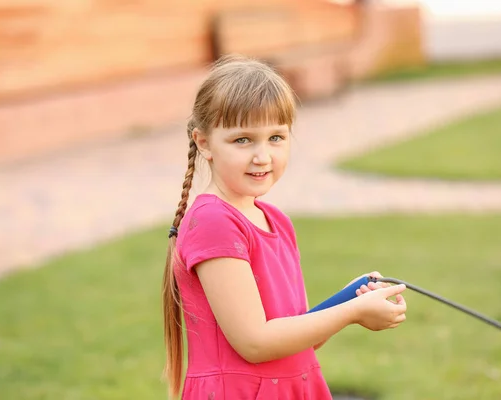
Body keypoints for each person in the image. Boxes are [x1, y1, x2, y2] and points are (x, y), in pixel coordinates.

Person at [161, 55, 408, 399]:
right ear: (204, 143)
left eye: (276, 137)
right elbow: (255, 342)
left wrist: (346, 298)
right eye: (243, 140)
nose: (262, 156)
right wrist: (353, 312)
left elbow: (300, 335)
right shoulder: (214, 222)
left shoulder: (277, 221)